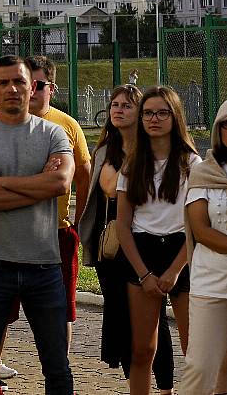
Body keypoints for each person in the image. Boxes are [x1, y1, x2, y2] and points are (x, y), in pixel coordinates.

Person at [0, 55, 76, 394]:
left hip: (44, 265)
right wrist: (37, 184)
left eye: (20, 81)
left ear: (33, 86)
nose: (12, 88)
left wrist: (2, 182)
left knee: (57, 368)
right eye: (4, 82)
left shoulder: (53, 134)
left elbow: (60, 184)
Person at [77, 85, 177, 392]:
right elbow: (104, 189)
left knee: (155, 322)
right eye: (114, 104)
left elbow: (114, 187)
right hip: (112, 246)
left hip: (146, 242)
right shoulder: (105, 150)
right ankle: (137, 382)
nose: (118, 110)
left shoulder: (153, 154)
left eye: (127, 106)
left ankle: (165, 385)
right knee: (124, 323)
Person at [115, 86, 200, 395]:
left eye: (162, 112)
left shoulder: (192, 164)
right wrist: (144, 273)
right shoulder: (131, 164)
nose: (154, 119)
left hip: (184, 254)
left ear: (174, 117)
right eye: (148, 112)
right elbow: (123, 225)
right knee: (142, 350)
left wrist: (175, 270)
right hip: (142, 255)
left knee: (196, 352)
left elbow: (195, 224)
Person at [25, 56, 92, 354]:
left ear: (51, 88)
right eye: (26, 83)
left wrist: (80, 219)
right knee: (0, 309)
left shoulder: (68, 125)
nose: (31, 91)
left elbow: (85, 173)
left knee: (61, 307)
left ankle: (59, 371)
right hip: (11, 232)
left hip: (57, 231)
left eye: (38, 85)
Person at [181, 99, 227, 394]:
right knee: (200, 366)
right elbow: (201, 229)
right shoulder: (204, 172)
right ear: (218, 130)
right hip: (211, 283)